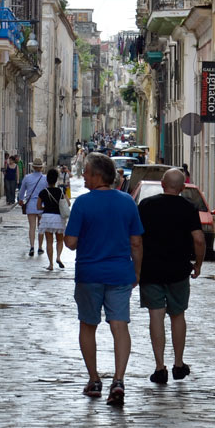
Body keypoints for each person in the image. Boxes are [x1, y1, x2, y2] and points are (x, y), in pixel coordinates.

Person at [63, 153, 143, 406]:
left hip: (89, 274)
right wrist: (137, 273)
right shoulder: (127, 202)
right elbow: (137, 242)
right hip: (120, 273)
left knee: (88, 325)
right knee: (120, 326)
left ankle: (94, 379)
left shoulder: (83, 204)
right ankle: (118, 380)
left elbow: (71, 243)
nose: (83, 175)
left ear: (97, 175)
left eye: (86, 172)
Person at [137, 167, 205, 384]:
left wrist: (135, 268)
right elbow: (199, 240)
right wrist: (198, 264)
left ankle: (159, 368)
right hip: (178, 270)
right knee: (178, 315)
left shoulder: (146, 205)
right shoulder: (188, 207)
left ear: (162, 185)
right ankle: (178, 363)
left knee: (155, 316)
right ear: (183, 187)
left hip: (150, 270)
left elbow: (136, 239)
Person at [37, 168, 66, 271]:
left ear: (47, 180)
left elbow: (38, 207)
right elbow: (67, 203)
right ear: (56, 179)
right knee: (60, 240)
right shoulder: (60, 191)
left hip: (47, 218)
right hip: (58, 218)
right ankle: (58, 257)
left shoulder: (43, 192)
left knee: (49, 241)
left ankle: (51, 264)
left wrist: (46, 207)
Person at [18, 157, 48, 256]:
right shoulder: (45, 179)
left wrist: (21, 199)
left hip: (30, 204)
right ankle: (40, 247)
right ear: (41, 168)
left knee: (32, 227)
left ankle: (31, 247)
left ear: (33, 167)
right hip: (42, 205)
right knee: (41, 227)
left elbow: (22, 191)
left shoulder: (27, 178)